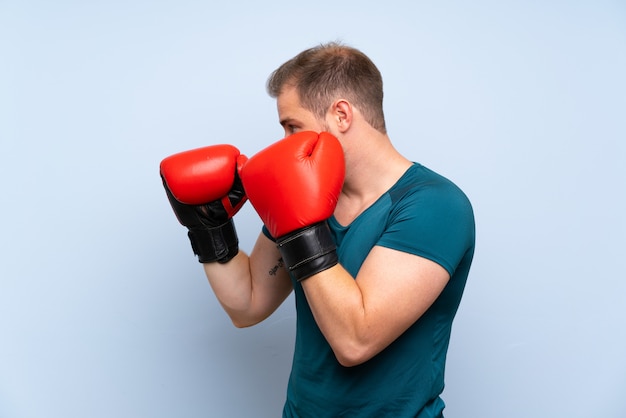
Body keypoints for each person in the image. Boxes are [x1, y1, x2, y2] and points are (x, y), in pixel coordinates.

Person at [160, 42, 475, 418]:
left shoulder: (435, 206)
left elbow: (356, 341)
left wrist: (299, 226)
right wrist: (209, 228)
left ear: (341, 114)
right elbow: (247, 305)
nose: (286, 143)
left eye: (293, 126)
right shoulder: (305, 195)